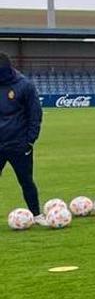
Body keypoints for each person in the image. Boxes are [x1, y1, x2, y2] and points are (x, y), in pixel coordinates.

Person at [0, 53, 44, 224]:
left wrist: (30, 140)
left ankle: (37, 214)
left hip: (19, 144)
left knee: (26, 181)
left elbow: (35, 114)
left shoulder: (24, 85)